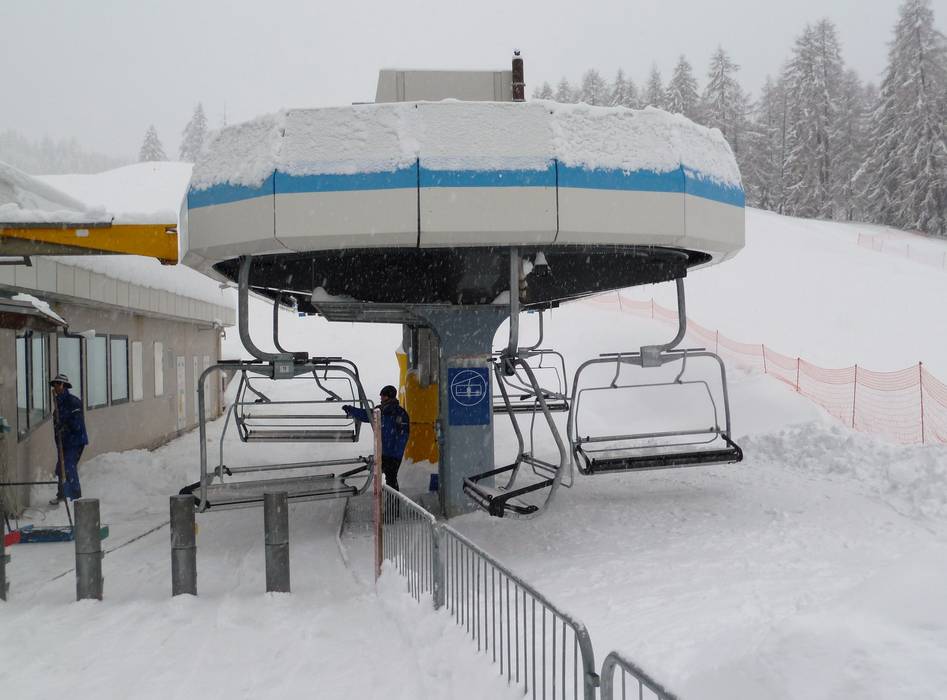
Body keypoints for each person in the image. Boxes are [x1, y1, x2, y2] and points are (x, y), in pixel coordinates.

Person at [342, 385, 409, 491]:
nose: (381, 398)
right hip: (393, 452)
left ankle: (389, 498)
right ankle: (388, 498)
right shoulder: (396, 412)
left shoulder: (383, 412)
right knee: (390, 477)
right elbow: (404, 433)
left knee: (389, 476)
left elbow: (366, 415)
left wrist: (351, 410)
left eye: (382, 396)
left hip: (389, 452)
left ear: (388, 396)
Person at [49, 373, 88, 504]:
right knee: (61, 467)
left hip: (75, 441)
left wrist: (65, 425)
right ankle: (62, 494)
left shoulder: (73, 402)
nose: (56, 387)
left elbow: (77, 424)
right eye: (54, 384)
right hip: (64, 442)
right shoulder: (58, 403)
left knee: (68, 466)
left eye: (58, 384)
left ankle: (75, 497)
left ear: (64, 386)